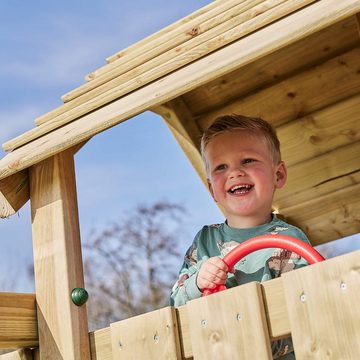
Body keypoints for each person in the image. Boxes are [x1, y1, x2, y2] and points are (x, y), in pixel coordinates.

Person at [170, 114, 312, 359]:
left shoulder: (289, 241)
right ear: (211, 189)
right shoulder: (205, 242)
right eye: (221, 167)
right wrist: (198, 282)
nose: (235, 172)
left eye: (247, 161)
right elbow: (175, 305)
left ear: (278, 175)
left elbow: (305, 305)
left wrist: (254, 344)